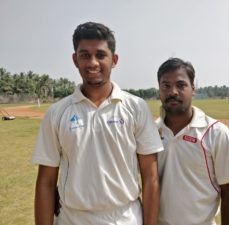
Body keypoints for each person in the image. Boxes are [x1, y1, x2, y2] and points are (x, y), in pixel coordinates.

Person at [32, 22, 164, 225]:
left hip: (125, 218)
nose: (93, 63)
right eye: (85, 55)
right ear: (75, 59)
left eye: (101, 55)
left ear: (114, 60)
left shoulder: (136, 107)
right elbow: (46, 183)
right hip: (72, 219)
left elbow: (150, 178)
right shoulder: (57, 113)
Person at [156, 58, 229, 225]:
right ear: (159, 90)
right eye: (166, 85)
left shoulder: (216, 132)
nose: (173, 91)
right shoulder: (151, 132)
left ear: (193, 89)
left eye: (181, 85)